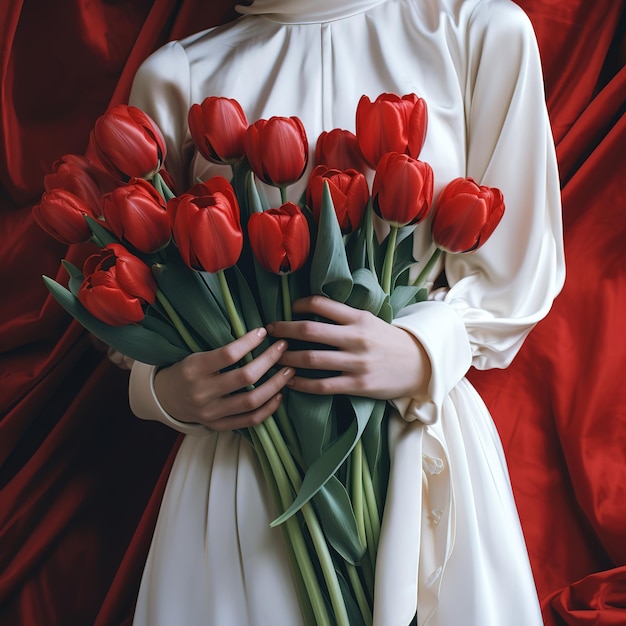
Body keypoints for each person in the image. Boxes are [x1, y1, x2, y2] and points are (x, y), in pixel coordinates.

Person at [126, 0, 565, 624]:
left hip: (420, 434)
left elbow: (518, 269)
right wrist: (164, 391)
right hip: (250, 460)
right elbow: (137, 298)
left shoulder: (477, 31)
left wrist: (422, 351)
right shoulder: (182, 75)